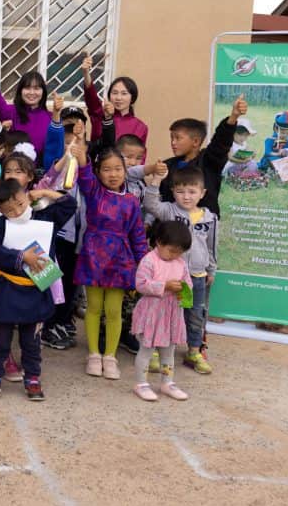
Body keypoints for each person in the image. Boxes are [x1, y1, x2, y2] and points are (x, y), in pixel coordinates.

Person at [0, 178, 77, 400]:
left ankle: (32, 376)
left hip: (36, 290)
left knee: (31, 340)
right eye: (9, 209)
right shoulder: (1, 224)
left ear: (26, 195)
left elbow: (69, 205)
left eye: (19, 203)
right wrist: (21, 256)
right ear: (1, 210)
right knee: (0, 337)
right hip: (8, 289)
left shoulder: (44, 217)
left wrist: (44, 192)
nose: (16, 211)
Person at [71, 143, 148, 380]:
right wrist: (82, 155)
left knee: (114, 311)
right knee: (93, 308)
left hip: (120, 261)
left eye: (117, 169)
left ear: (125, 171)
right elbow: (84, 176)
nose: (113, 174)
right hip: (94, 256)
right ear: (98, 171)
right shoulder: (93, 191)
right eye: (106, 169)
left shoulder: (132, 201)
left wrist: (143, 264)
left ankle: (110, 356)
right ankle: (94, 354)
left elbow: (138, 236)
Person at [144, 165, 218, 375]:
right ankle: (157, 351)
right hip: (170, 277)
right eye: (180, 191)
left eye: (192, 191)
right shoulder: (169, 210)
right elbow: (150, 204)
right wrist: (157, 180)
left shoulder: (209, 218)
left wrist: (211, 269)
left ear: (202, 193)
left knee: (194, 314)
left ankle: (193, 351)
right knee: (165, 313)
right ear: (173, 191)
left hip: (195, 276)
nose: (186, 197)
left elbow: (212, 246)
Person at [131, 220, 192, 401]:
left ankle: (167, 382)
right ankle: (141, 383)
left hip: (171, 314)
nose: (175, 255)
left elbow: (188, 283)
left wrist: (183, 289)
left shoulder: (180, 263)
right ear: (159, 242)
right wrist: (164, 286)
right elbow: (141, 285)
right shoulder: (149, 260)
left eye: (179, 252)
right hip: (151, 313)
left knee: (168, 351)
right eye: (172, 251)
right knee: (146, 350)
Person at [159, 95, 247, 216]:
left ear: (195, 141)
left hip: (199, 227)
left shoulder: (209, 161)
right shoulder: (168, 165)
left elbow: (220, 142)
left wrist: (233, 117)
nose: (173, 142)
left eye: (178, 138)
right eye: (171, 138)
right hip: (172, 228)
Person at [81, 54, 148, 153]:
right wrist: (86, 73)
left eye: (124, 93)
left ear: (132, 98)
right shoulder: (100, 114)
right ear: (109, 96)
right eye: (114, 93)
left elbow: (140, 157)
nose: (118, 98)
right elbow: (91, 97)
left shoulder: (140, 126)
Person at [0, 66, 50, 165]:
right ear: (20, 90)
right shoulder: (12, 111)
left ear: (43, 91)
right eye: (27, 88)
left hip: (39, 172)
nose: (32, 92)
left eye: (36, 88)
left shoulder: (50, 118)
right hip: (11, 170)